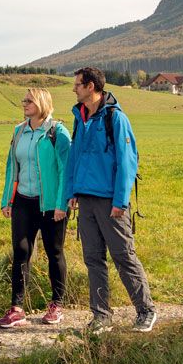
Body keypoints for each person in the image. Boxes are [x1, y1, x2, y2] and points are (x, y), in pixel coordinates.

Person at [59, 66, 158, 331]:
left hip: (110, 201)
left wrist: (120, 201)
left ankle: (146, 310)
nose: (74, 89)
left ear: (91, 86)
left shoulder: (115, 118)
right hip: (86, 200)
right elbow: (74, 158)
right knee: (93, 259)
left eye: (77, 84)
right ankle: (101, 316)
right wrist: (72, 193)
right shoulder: (80, 117)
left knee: (123, 255)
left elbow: (127, 162)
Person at [0, 88, 72, 329]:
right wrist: (8, 199)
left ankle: (56, 305)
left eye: (29, 100)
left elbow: (65, 170)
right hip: (23, 201)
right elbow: (11, 166)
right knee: (20, 252)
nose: (24, 103)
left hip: (50, 204)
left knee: (54, 251)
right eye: (23, 100)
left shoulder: (57, 132)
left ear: (41, 103)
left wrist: (61, 204)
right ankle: (17, 309)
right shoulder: (19, 131)